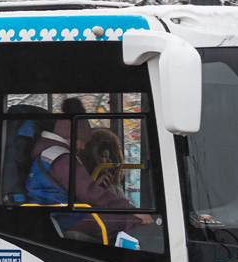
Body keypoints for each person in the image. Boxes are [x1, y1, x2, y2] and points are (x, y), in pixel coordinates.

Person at [25, 99, 152, 243]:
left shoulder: (47, 152)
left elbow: (77, 189)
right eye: (83, 141)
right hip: (68, 217)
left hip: (56, 214)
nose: (83, 147)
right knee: (132, 222)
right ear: (71, 137)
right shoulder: (61, 158)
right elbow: (90, 194)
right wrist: (130, 209)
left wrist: (95, 185)